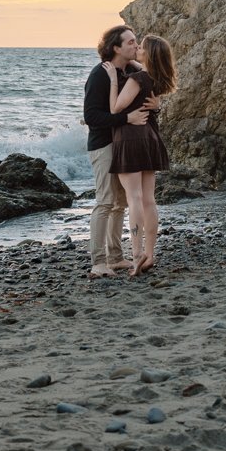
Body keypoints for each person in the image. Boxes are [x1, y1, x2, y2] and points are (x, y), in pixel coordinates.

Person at [82, 26, 155, 278]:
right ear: (116, 47)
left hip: (124, 144)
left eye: (136, 42)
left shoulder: (131, 70)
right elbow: (91, 116)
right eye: (131, 42)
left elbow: (145, 98)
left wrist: (157, 106)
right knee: (105, 201)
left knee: (121, 203)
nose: (136, 46)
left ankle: (115, 257)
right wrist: (126, 119)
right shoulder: (100, 74)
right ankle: (98, 262)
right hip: (103, 144)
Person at [104, 34, 175, 276]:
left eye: (141, 47)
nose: (138, 49)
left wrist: (114, 79)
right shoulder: (158, 79)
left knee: (134, 198)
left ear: (149, 55)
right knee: (148, 200)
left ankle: (136, 255)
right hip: (151, 139)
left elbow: (116, 108)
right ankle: (150, 254)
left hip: (131, 139)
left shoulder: (137, 78)